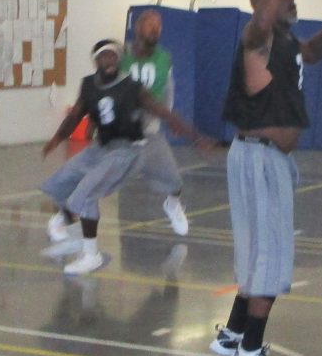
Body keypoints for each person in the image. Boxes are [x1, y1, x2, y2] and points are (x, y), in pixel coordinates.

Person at [209, 0, 322, 356]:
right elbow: (264, 19)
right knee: (270, 258)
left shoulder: (288, 44)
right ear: (264, 4)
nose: (290, 0)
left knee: (256, 254)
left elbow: (315, 53)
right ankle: (250, 352)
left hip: (267, 159)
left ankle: (232, 334)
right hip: (259, 158)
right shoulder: (257, 38)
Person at [41, 39, 209, 275]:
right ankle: (70, 223)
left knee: (93, 188)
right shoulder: (89, 85)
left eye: (113, 56)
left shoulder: (131, 86)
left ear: (119, 59)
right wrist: (57, 139)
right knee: (63, 179)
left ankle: (91, 253)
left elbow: (161, 110)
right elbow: (76, 115)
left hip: (129, 149)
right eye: (104, 56)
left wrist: (195, 135)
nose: (109, 61)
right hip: (103, 146)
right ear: (96, 61)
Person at [120, 9, 190, 236]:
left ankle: (172, 205)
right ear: (138, 28)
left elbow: (168, 89)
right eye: (151, 25)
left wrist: (166, 117)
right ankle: (65, 216)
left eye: (159, 26)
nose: (156, 29)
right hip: (120, 130)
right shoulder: (122, 54)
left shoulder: (164, 57)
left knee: (174, 180)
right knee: (93, 177)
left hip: (149, 129)